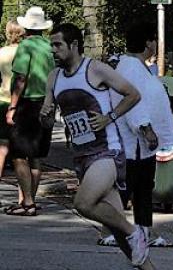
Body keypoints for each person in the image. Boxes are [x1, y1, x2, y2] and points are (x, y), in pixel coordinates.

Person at [39, 23, 155, 269]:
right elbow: (48, 121)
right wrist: (46, 116)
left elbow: (133, 94)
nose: (53, 50)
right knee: (124, 243)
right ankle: (139, 249)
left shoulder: (95, 69)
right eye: (52, 45)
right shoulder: (54, 77)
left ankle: (136, 232)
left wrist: (109, 117)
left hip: (107, 152)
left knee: (82, 203)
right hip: (81, 156)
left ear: (74, 45)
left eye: (58, 45)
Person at [98, 24, 173, 248]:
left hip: (139, 145)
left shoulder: (137, 67)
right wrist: (146, 129)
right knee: (127, 188)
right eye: (153, 40)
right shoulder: (132, 67)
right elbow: (134, 102)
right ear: (147, 43)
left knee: (141, 189)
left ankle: (143, 231)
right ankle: (113, 231)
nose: (155, 45)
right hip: (132, 142)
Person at [4, 7, 55, 217]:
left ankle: (28, 201)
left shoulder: (26, 46)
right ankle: (29, 199)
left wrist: (12, 106)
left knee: (18, 155)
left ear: (26, 26)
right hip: (47, 103)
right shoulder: (50, 46)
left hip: (28, 104)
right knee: (36, 156)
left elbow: (20, 79)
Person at [0, 21, 24, 179]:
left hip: (2, 99)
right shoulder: (26, 52)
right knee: (22, 152)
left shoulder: (1, 52)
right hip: (22, 102)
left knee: (2, 147)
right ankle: (24, 198)